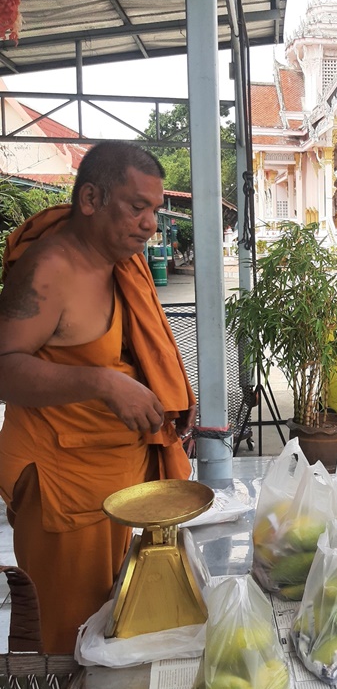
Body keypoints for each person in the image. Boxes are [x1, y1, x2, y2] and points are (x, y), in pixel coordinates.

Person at [0, 141, 197, 654]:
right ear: (90, 199)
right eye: (137, 207)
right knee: (68, 640)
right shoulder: (50, 269)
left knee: (118, 618)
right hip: (64, 482)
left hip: (119, 475)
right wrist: (101, 383)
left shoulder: (120, 265)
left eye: (154, 210)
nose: (151, 223)